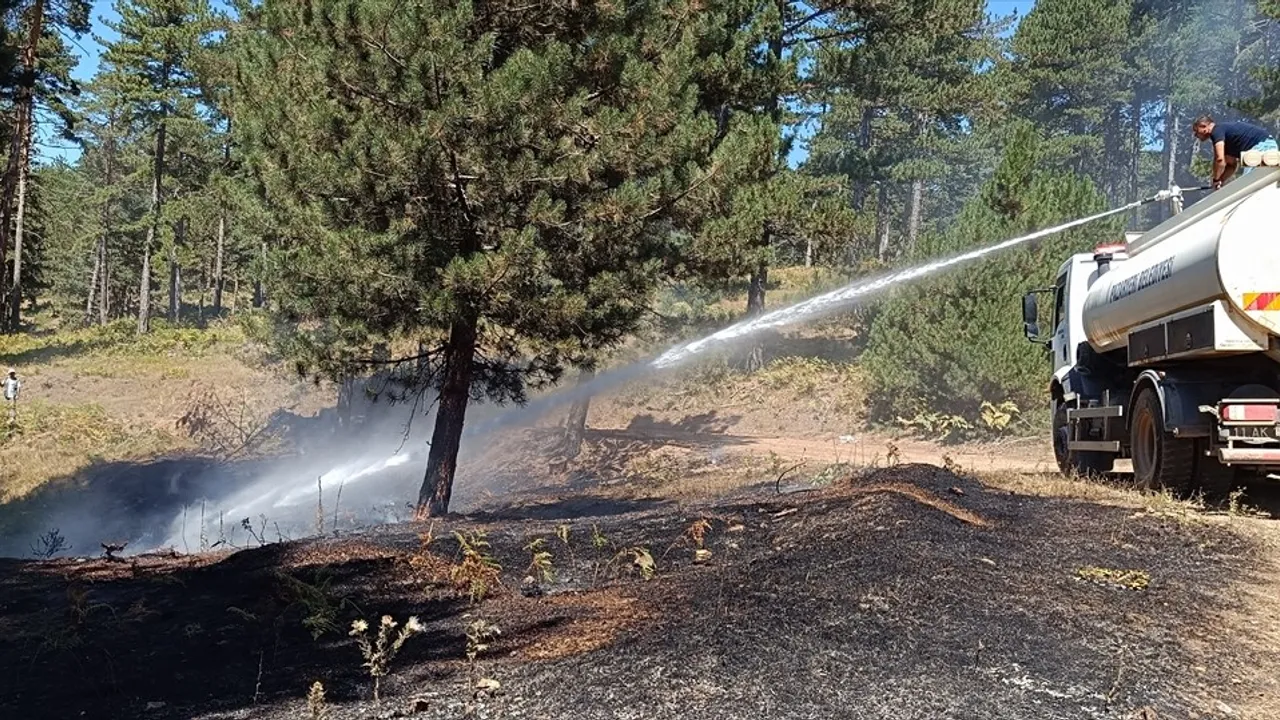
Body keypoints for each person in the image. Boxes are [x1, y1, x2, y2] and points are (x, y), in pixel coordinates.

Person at [1192, 115, 1279, 189]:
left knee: (1248, 186)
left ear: (1204, 126)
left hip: (1261, 147)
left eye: (1196, 131)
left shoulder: (1216, 130)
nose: (1196, 135)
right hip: (1264, 147)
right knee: (1254, 184)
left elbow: (1219, 160)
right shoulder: (1225, 139)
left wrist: (1216, 179)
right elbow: (1231, 165)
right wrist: (1221, 180)